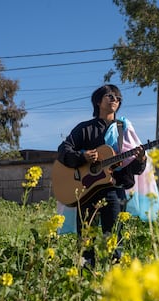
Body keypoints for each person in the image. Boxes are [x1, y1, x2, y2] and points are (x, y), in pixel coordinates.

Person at [56, 84, 147, 268]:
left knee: (113, 239)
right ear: (98, 101)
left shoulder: (124, 129)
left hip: (114, 190)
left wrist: (141, 159)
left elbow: (133, 168)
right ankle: (85, 278)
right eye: (111, 96)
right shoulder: (84, 129)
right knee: (86, 239)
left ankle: (115, 281)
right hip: (87, 191)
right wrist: (82, 156)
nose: (115, 100)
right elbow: (63, 151)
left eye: (118, 98)